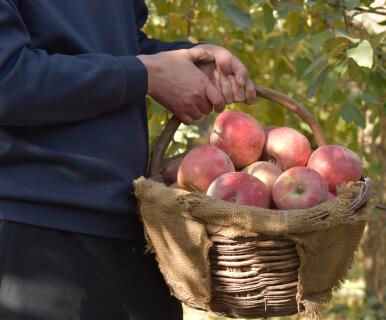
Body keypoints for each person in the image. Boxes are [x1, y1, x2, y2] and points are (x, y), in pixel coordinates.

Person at [0, 0, 255, 319]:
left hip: (133, 230)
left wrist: (185, 61)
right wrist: (147, 73)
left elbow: (120, 47)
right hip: (38, 236)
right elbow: (8, 79)